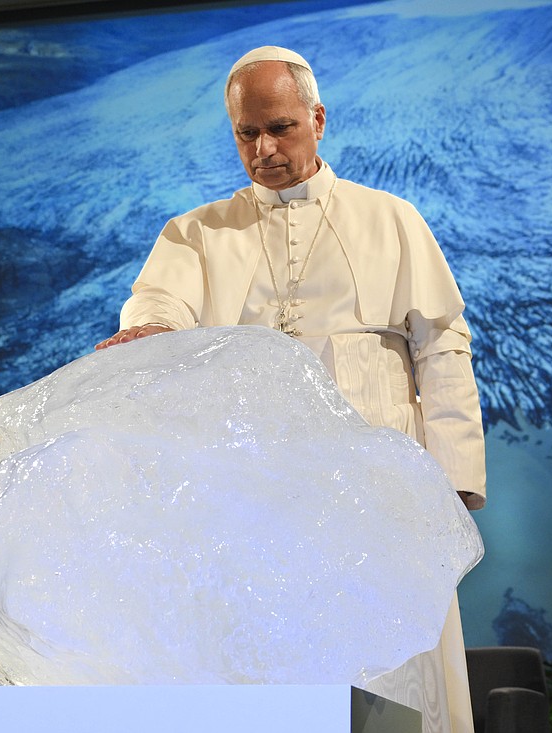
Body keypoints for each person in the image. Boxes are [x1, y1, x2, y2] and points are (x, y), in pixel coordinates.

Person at [96, 46, 486, 733]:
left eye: (280, 128)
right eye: (246, 134)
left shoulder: (392, 219)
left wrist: (451, 485)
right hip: (256, 496)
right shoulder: (197, 232)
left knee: (392, 683)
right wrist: (152, 329)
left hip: (379, 488)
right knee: (272, 677)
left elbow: (443, 349)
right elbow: (159, 304)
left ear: (318, 119)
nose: (264, 149)